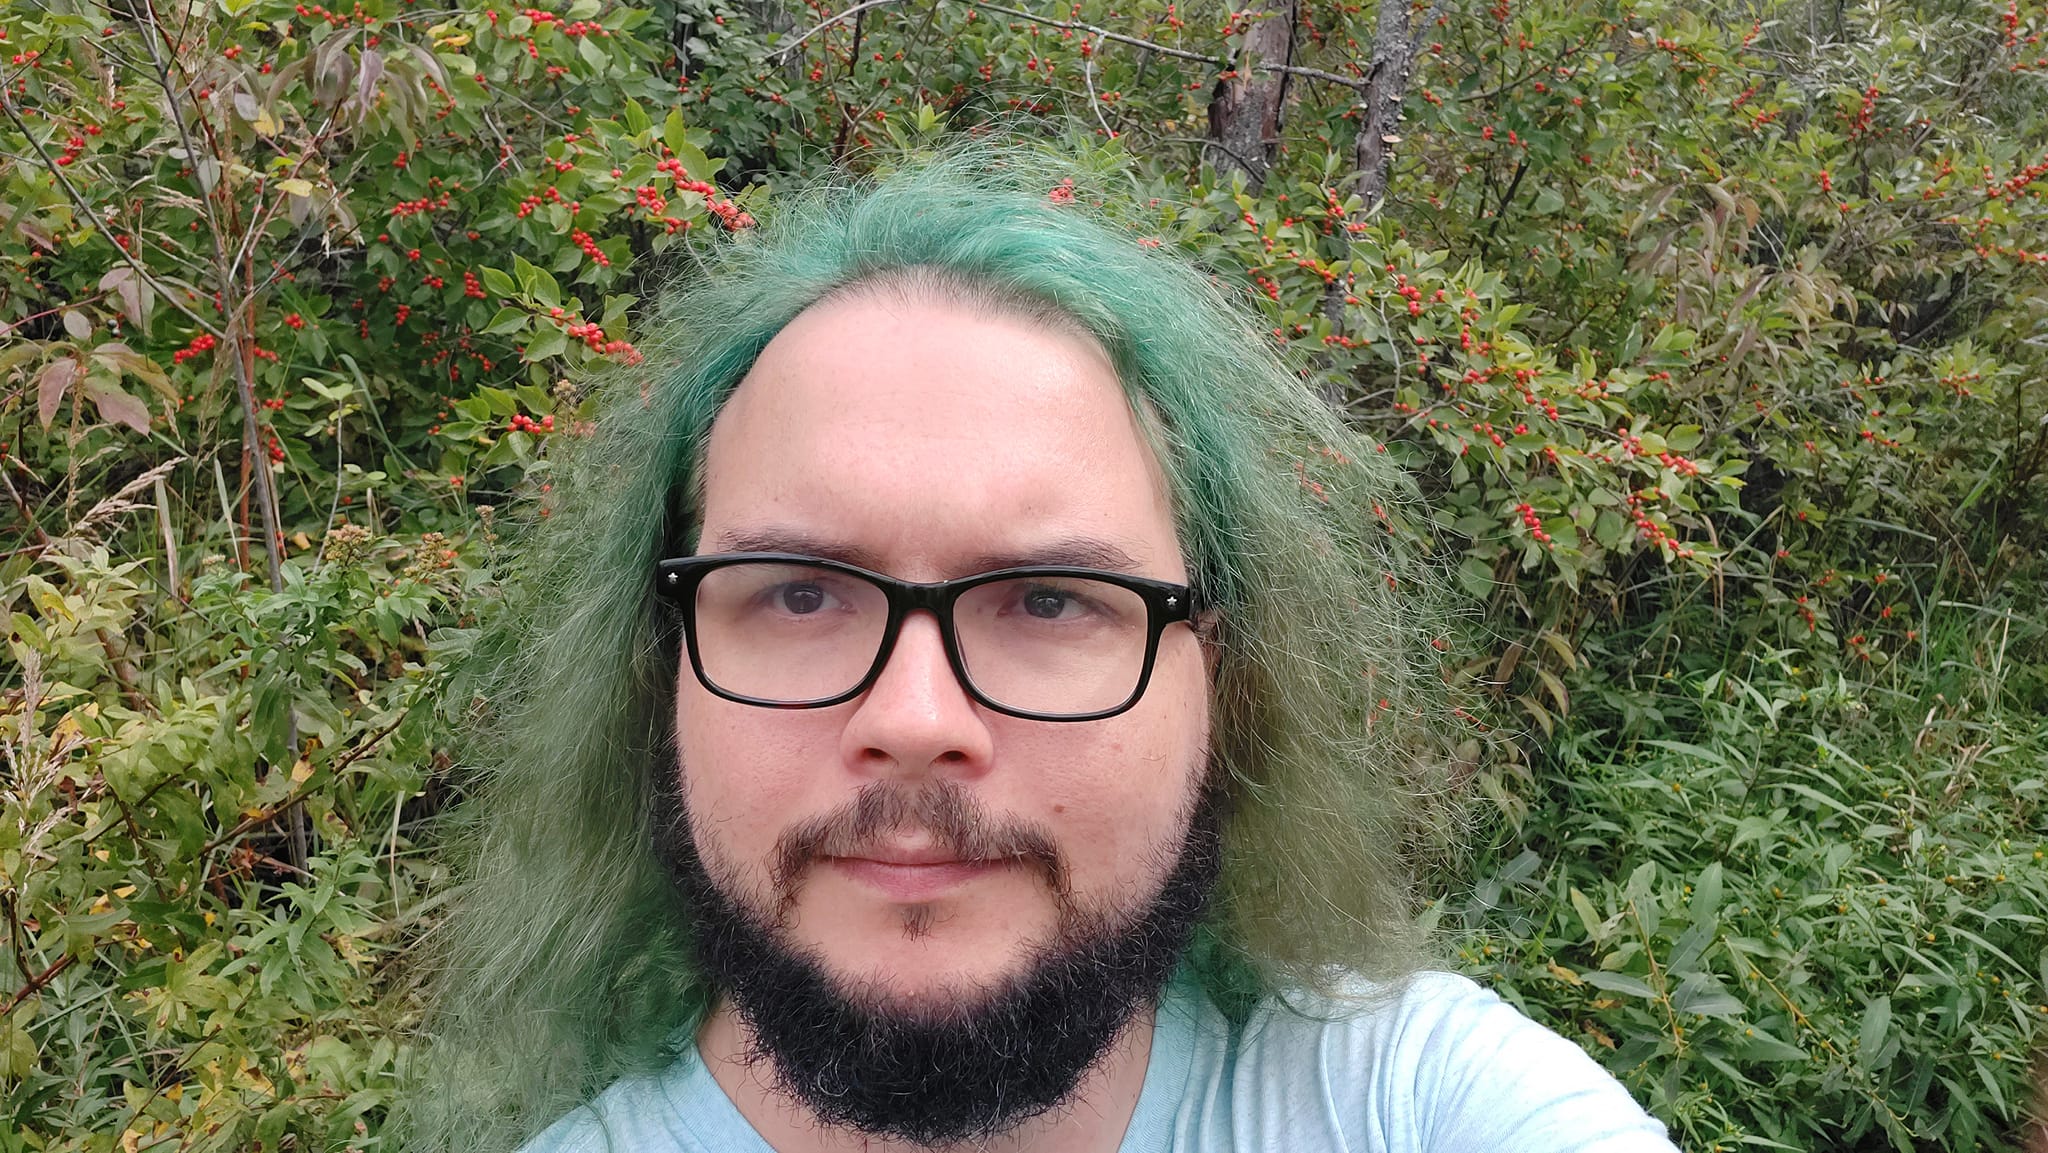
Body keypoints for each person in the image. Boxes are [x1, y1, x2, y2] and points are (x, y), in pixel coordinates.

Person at [400, 150, 1679, 1153]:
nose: (912, 715)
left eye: (1053, 600)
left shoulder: (1417, 1107)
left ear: (1218, 689)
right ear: (660, 670)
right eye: (795, 594)